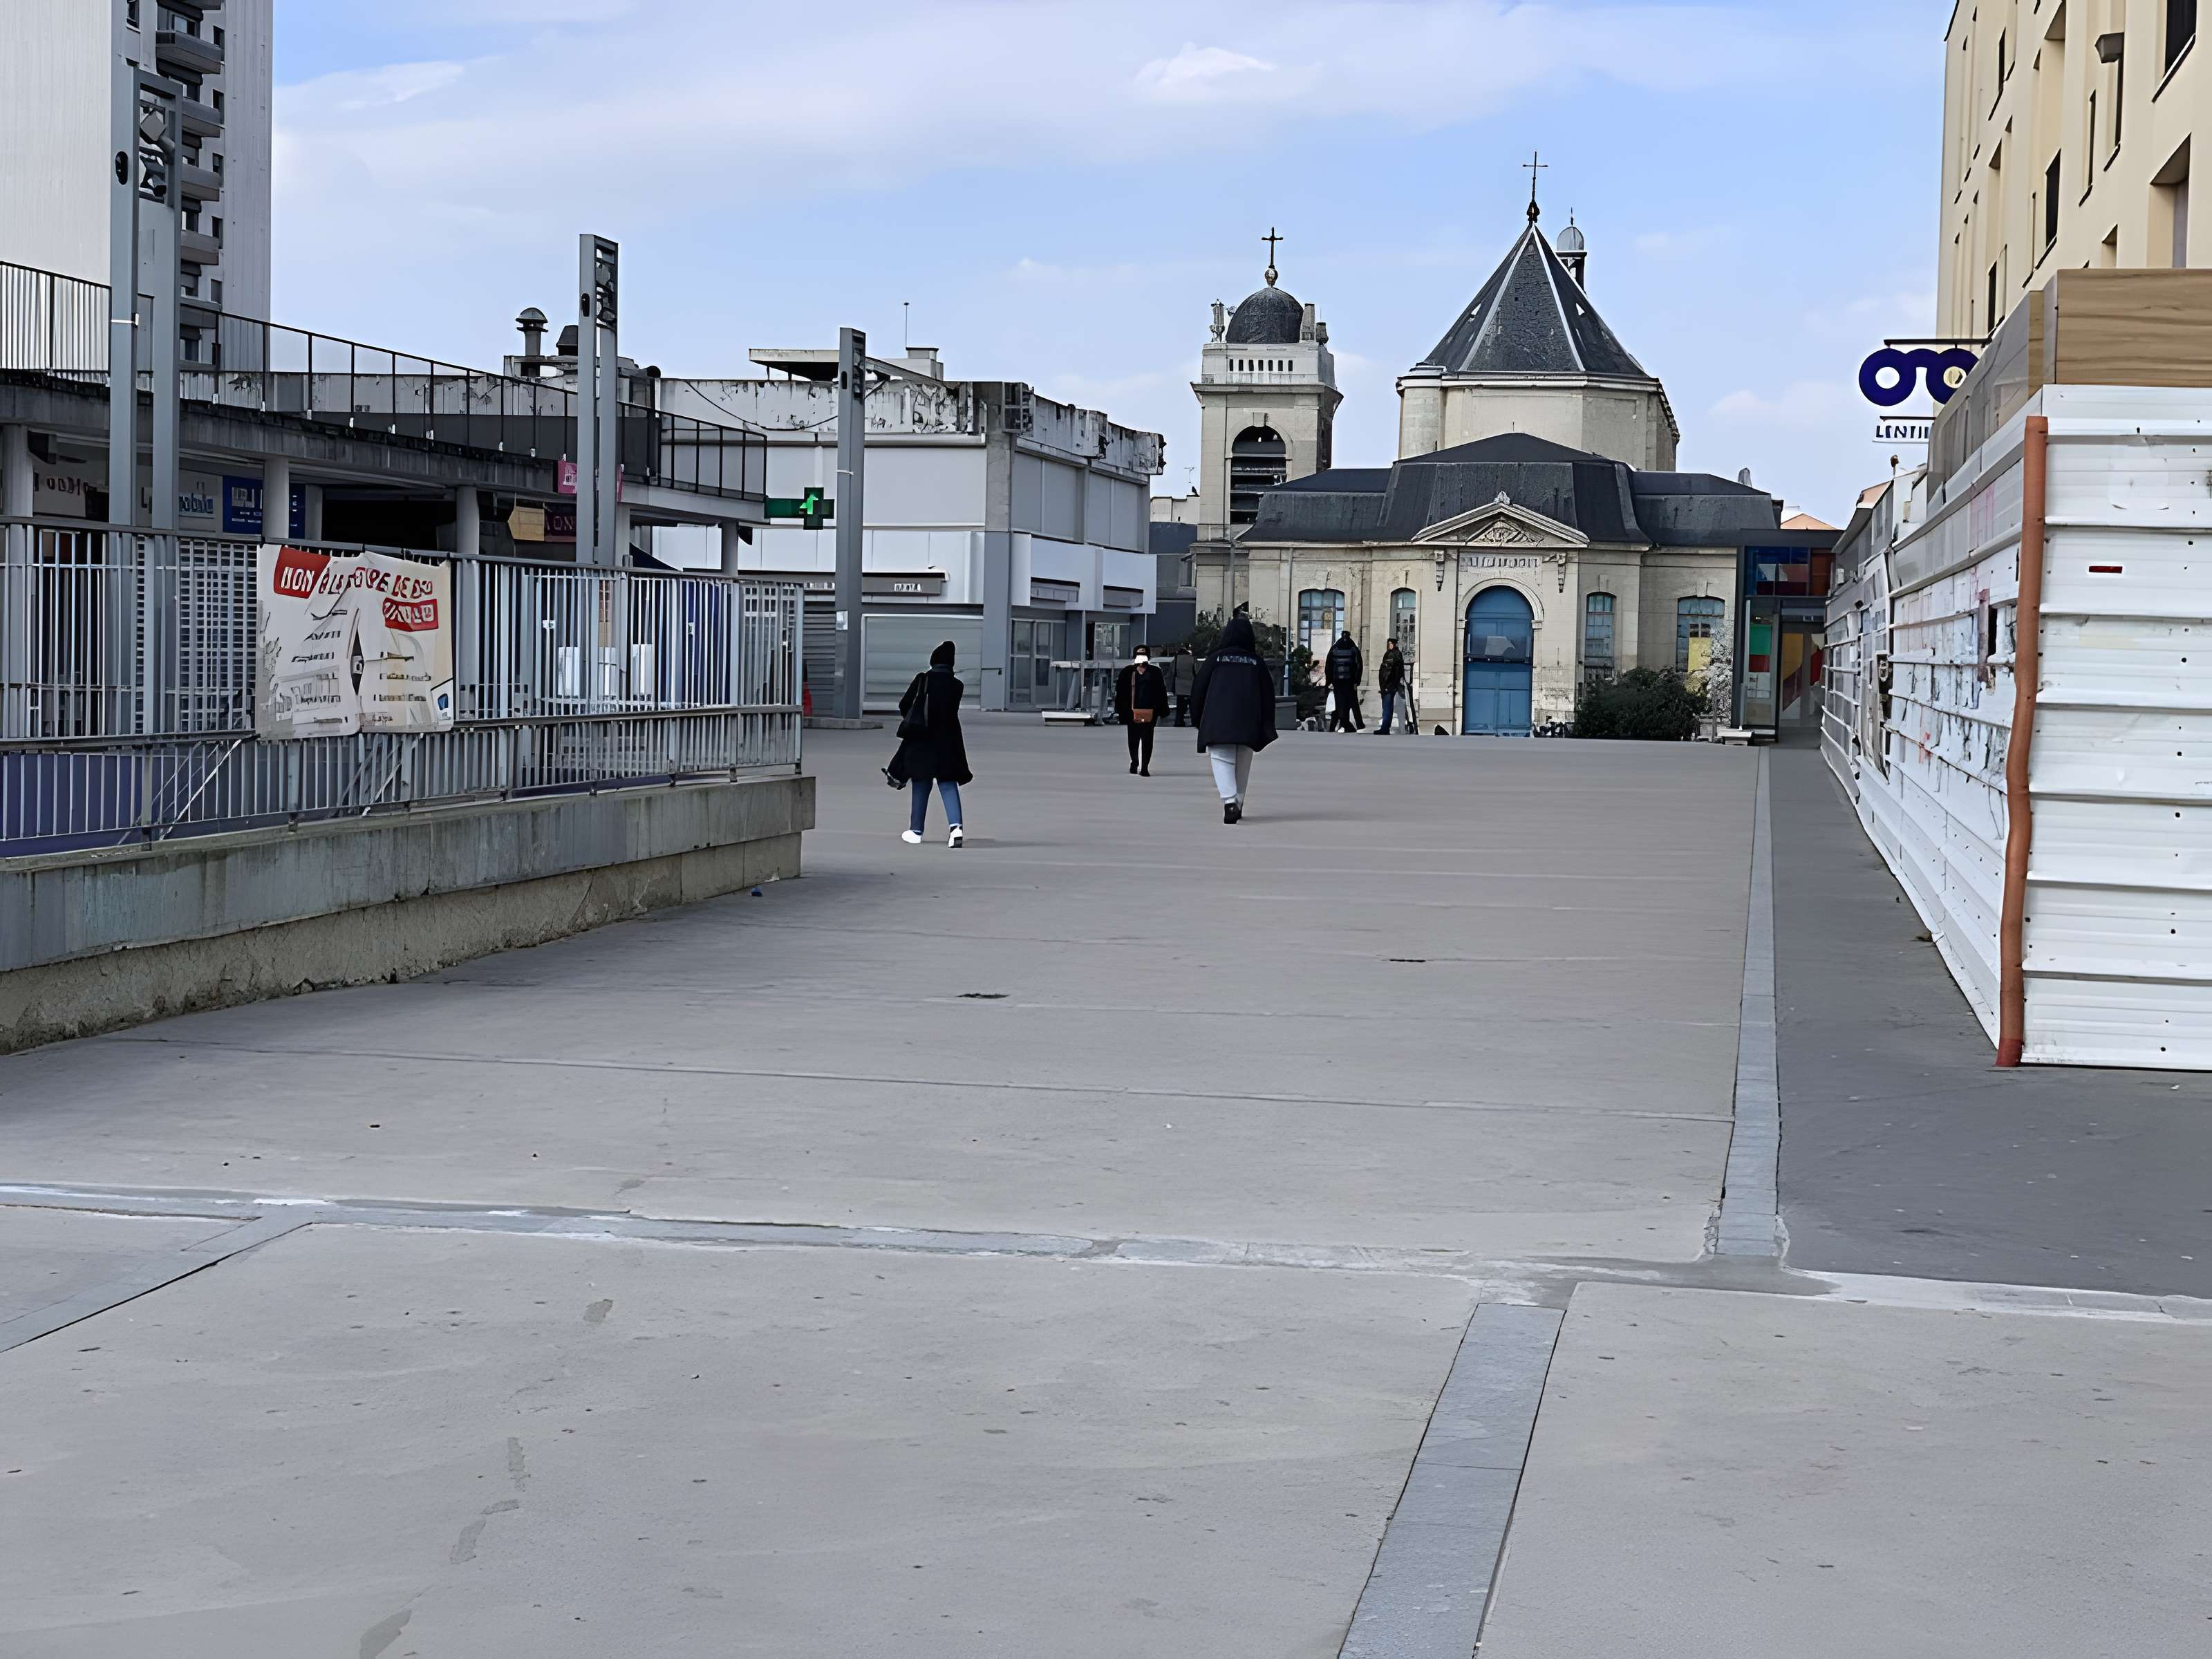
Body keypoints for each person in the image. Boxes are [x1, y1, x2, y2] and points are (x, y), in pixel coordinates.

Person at [1192, 614, 1277, 824]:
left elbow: (1198, 691)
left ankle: (1229, 801)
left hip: (1218, 721)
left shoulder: (1215, 660)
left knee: (1221, 757)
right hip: (1249, 721)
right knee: (1243, 762)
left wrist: (1198, 719)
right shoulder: (1256, 662)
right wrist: (1267, 725)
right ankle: (1238, 801)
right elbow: (1268, 695)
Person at [892, 641, 972, 847]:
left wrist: (915, 719)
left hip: (922, 739)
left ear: (933, 660)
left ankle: (916, 831)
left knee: (920, 784)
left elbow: (904, 704)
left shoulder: (923, 679)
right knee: (948, 784)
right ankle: (956, 830)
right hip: (948, 741)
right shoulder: (957, 686)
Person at [1114, 644, 1170, 776]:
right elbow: (1121, 692)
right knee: (1133, 739)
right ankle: (1135, 761)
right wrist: (1121, 711)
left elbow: (1161, 691)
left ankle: (1145, 767)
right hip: (1131, 712)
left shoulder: (1155, 672)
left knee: (1147, 739)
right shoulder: (1127, 672)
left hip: (1150, 711)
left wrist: (1161, 710)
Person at [1325, 630, 1365, 732]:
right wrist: (1357, 681)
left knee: (1341, 704)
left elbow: (1329, 666)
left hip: (1338, 681)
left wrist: (1329, 681)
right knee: (1352, 703)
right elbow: (1359, 666)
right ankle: (1355, 725)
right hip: (1349, 682)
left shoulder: (1335, 648)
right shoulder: (1353, 648)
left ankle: (1345, 725)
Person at [1376, 639, 1407, 735]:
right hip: (1390, 684)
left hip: (1389, 685)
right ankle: (1385, 727)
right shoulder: (1393, 654)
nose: (1390, 646)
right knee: (1387, 706)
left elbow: (1388, 671)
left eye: (1391, 644)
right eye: (1389, 644)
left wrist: (1385, 684)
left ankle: (1385, 728)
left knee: (1387, 706)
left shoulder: (1393, 655)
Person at [1166, 644, 1198, 727]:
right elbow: (1196, 671)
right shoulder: (1192, 659)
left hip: (1180, 686)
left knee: (1180, 707)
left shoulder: (1176, 660)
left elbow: (1172, 673)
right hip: (1192, 686)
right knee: (1194, 706)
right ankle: (1195, 722)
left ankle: (1179, 721)